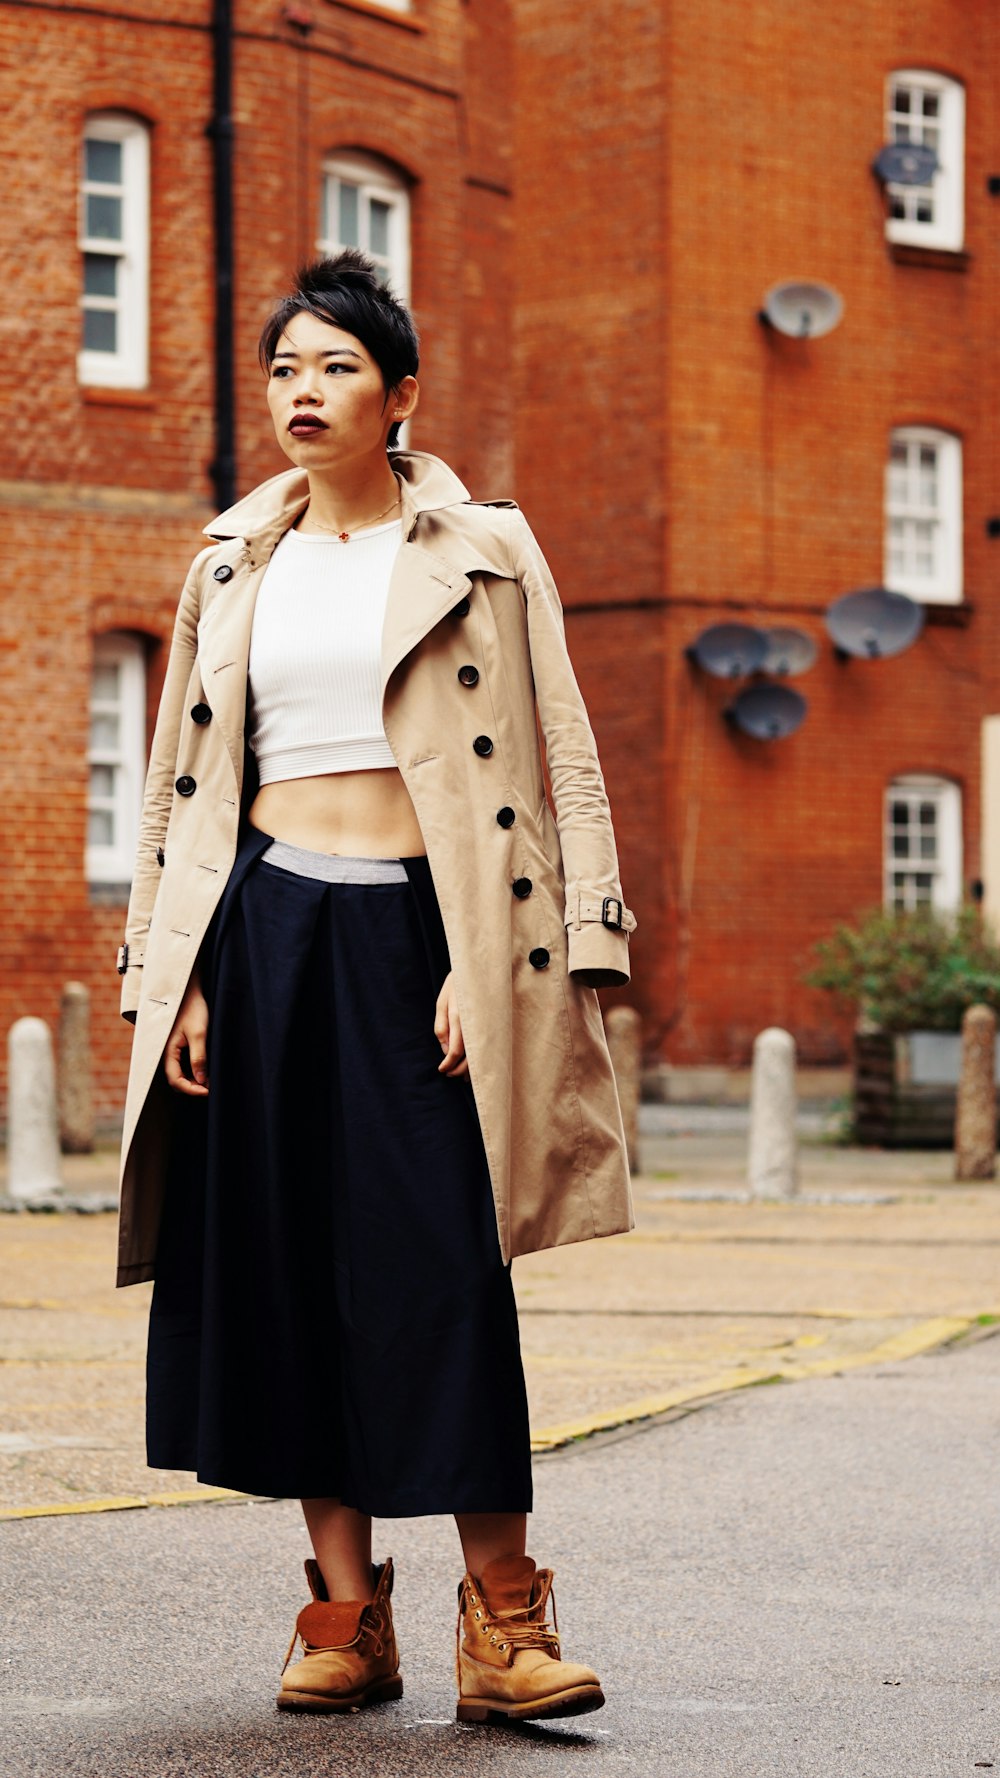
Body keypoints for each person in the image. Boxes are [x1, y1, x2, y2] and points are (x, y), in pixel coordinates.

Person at [115, 250, 637, 1724]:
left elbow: (564, 755)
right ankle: (344, 1614)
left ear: (401, 396)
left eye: (337, 365)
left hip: (431, 932)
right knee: (280, 1267)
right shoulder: (229, 562)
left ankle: (507, 1617)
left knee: (440, 1270)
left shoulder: (485, 546)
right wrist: (185, 967)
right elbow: (180, 782)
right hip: (266, 927)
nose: (303, 388)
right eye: (285, 365)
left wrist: (528, 961)